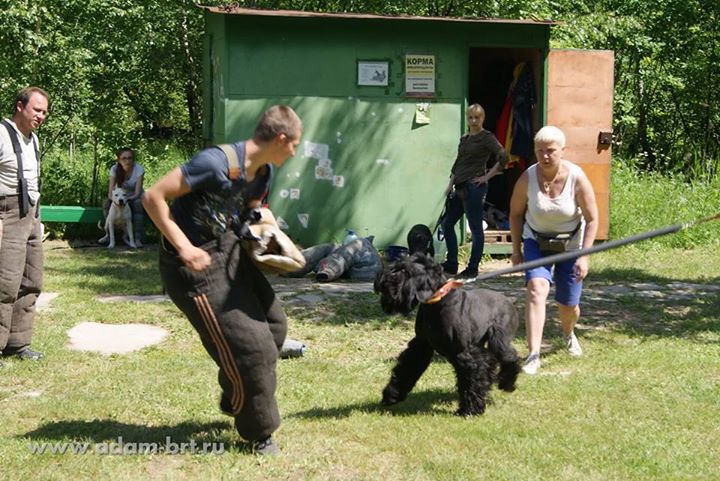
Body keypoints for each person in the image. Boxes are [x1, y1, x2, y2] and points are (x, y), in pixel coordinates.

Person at [142, 105, 302, 455]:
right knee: (252, 350)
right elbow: (153, 196)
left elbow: (253, 209)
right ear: (280, 138)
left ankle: (236, 395)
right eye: (294, 144)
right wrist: (184, 247)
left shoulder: (264, 171)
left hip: (228, 250)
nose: (294, 152)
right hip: (192, 265)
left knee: (274, 327)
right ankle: (260, 433)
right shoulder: (215, 164)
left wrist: (268, 232)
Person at [508, 125, 599, 375]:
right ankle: (533, 354)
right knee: (537, 290)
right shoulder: (527, 178)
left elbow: (592, 219)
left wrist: (584, 256)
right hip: (536, 242)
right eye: (540, 151)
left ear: (562, 150)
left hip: (570, 245)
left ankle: (569, 334)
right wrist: (516, 250)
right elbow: (515, 214)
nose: (545, 156)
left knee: (568, 305)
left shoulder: (577, 177)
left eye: (550, 151)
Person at [0, 86, 49, 361]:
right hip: (6, 214)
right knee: (4, 283)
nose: (41, 116)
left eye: (44, 112)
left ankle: (17, 343)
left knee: (32, 279)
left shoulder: (33, 139)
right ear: (20, 106)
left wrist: (36, 219)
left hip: (30, 212)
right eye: (36, 110)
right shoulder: (2, 134)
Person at [441, 103, 508, 278]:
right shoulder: (465, 138)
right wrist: (450, 185)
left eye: (477, 117)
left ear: (482, 118)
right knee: (447, 224)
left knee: (475, 228)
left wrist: (486, 177)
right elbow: (458, 163)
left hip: (474, 186)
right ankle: (451, 264)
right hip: (459, 186)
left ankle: (472, 268)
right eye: (470, 117)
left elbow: (503, 156)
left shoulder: (487, 137)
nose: (473, 121)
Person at [98, 147, 145, 246]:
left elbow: (137, 193)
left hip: (134, 196)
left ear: (133, 159)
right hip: (118, 197)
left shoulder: (139, 169)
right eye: (124, 158)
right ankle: (109, 234)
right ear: (119, 160)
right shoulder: (114, 169)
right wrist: (116, 201)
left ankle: (137, 238)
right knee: (106, 203)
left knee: (138, 204)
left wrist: (126, 200)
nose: (127, 161)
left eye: (130, 158)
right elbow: (110, 193)